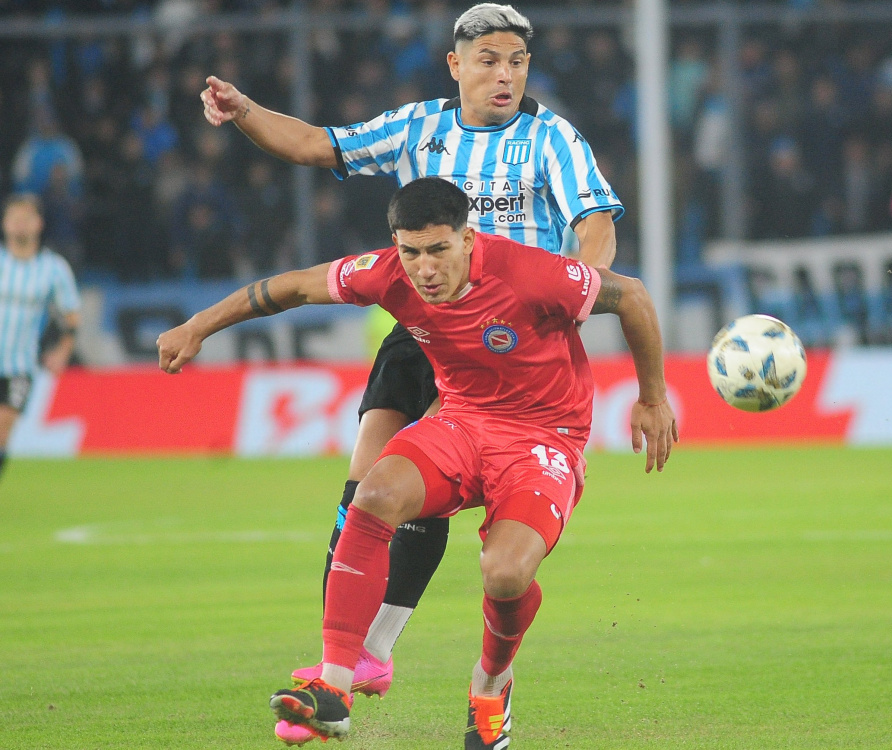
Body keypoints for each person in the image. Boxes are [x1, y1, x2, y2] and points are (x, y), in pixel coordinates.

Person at [200, 2, 624, 722]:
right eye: (488, 59)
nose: (504, 74)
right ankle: (358, 657)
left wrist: (574, 296)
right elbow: (313, 144)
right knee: (368, 481)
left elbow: (595, 226)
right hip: (424, 323)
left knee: (430, 480)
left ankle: (377, 648)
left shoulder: (551, 138)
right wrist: (244, 111)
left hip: (512, 337)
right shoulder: (416, 127)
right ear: (456, 65)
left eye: (517, 60)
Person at [156, 177, 677, 748]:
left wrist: (651, 397)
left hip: (541, 437)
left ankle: (491, 683)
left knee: (505, 573)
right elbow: (294, 288)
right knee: (373, 496)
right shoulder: (385, 273)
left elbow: (633, 297)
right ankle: (334, 689)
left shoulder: (529, 273)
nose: (424, 269)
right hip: (460, 421)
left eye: (438, 251)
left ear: (469, 240)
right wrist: (197, 325)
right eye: (411, 253)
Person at [0, 194, 80, 483]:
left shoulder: (53, 269)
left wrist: (62, 351)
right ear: (5, 224)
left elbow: (71, 316)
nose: (20, 225)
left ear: (38, 224)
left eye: (26, 219)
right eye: (14, 219)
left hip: (19, 365)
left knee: (2, 429)